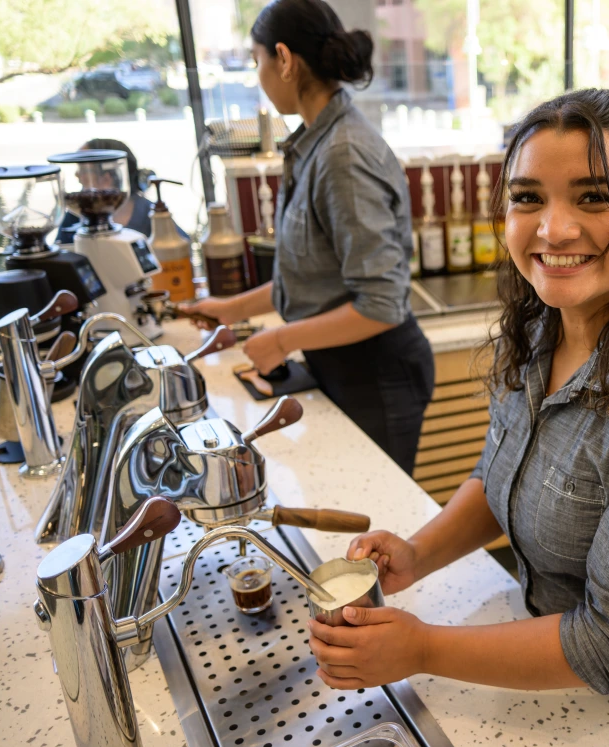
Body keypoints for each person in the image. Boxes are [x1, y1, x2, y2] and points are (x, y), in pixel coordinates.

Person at [305, 87, 609, 747]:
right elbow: (508, 475)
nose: (553, 229)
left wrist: (420, 649)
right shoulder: (539, 331)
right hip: (551, 682)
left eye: (592, 197)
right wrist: (418, 554)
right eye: (527, 197)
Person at [181, 0, 434, 473]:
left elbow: (380, 304)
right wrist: (231, 310)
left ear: (285, 58)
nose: (258, 75)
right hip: (344, 364)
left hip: (376, 372)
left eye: (257, 61)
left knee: (374, 518)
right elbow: (315, 279)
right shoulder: (318, 142)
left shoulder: (342, 155)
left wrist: (279, 341)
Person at [55, 138, 188, 243]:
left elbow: (182, 248)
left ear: (107, 177)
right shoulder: (74, 216)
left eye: (83, 170)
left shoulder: (148, 214)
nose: (77, 175)